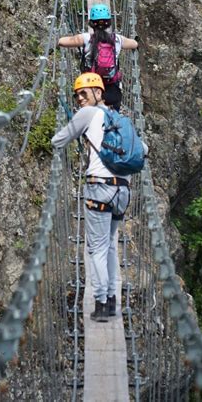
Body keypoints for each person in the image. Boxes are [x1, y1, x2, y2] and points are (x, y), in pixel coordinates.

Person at [51, 73, 144, 323]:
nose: (80, 98)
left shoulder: (88, 114)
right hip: (123, 190)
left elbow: (57, 140)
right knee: (111, 244)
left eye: (85, 92)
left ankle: (102, 303)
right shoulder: (122, 119)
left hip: (99, 188)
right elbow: (143, 149)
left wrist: (80, 134)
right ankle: (112, 298)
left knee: (96, 249)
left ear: (98, 93)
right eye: (77, 94)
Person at [58, 3, 138, 108]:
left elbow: (61, 42)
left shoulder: (85, 38)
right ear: (108, 23)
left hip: (91, 88)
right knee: (114, 106)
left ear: (91, 23)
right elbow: (134, 44)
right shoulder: (118, 39)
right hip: (111, 91)